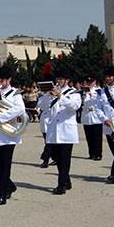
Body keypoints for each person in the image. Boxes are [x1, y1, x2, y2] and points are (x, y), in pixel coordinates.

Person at [0, 66, 26, 205]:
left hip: (8, 135)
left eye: (3, 79)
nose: (1, 82)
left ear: (9, 79)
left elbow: (20, 108)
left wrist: (1, 117)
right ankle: (10, 186)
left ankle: (2, 193)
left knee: (5, 164)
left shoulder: (15, 94)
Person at [44, 67, 80, 195]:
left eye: (62, 79)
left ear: (67, 80)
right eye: (58, 79)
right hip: (54, 130)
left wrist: (60, 95)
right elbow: (41, 106)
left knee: (65, 158)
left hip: (66, 131)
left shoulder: (74, 93)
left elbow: (74, 106)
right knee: (56, 157)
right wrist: (47, 95)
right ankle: (66, 180)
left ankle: (61, 185)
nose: (59, 81)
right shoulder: (51, 92)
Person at [80, 76, 106, 161]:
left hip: (96, 116)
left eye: (91, 82)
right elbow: (81, 103)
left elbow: (101, 102)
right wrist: (85, 95)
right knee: (89, 136)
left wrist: (91, 95)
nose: (89, 83)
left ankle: (98, 154)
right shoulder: (83, 91)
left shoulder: (99, 91)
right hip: (87, 116)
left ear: (95, 82)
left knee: (97, 137)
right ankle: (91, 153)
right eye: (88, 82)